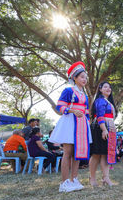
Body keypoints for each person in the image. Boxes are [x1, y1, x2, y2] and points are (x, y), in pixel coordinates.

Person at [49, 61, 92, 192]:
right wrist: (72, 111)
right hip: (69, 122)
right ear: (74, 78)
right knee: (67, 152)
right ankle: (64, 182)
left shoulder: (84, 95)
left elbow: (86, 110)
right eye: (81, 77)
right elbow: (60, 106)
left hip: (82, 124)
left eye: (85, 77)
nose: (84, 79)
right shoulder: (68, 91)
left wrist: (88, 121)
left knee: (77, 152)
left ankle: (74, 179)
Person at [89, 81, 118, 187]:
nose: (108, 89)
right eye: (105, 87)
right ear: (100, 89)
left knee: (105, 154)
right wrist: (104, 129)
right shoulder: (100, 101)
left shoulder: (108, 101)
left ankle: (106, 177)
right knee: (96, 154)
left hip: (109, 127)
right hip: (100, 128)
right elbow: (100, 115)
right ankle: (92, 178)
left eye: (109, 87)